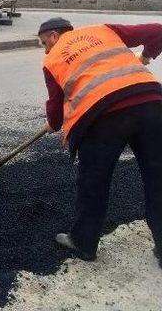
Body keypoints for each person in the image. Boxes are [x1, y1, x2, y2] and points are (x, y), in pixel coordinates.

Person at [38, 17, 162, 267]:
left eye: (44, 43)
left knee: (93, 180)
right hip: (151, 104)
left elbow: (55, 104)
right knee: (158, 178)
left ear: (53, 36)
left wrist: (53, 122)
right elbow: (158, 31)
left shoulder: (52, 59)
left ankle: (83, 243)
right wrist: (148, 55)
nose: (45, 49)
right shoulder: (104, 31)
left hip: (102, 117)